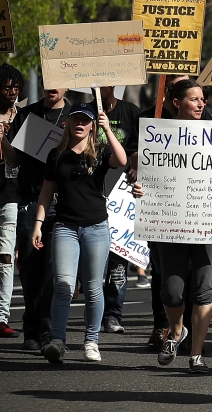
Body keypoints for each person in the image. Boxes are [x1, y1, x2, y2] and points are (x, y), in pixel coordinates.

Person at [132, 80, 212, 374]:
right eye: (194, 99)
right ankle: (177, 331)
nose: (201, 103)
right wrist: (139, 185)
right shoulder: (157, 134)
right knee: (171, 292)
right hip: (170, 224)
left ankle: (196, 354)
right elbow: (139, 169)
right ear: (176, 102)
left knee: (203, 289)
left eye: (203, 99)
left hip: (207, 221)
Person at [33, 103, 128, 363]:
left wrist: (108, 130)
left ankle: (91, 340)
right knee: (63, 286)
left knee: (94, 288)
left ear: (92, 126)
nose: (79, 124)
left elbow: (122, 160)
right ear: (68, 123)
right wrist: (39, 224)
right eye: (75, 119)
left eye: (85, 121)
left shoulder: (100, 151)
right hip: (65, 227)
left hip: (96, 228)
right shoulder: (56, 155)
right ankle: (58, 340)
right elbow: (46, 192)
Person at [2, 87, 72, 351]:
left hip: (62, 204)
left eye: (58, 83)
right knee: (31, 270)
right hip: (30, 202)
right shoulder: (28, 114)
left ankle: (47, 331)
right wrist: (2, 139)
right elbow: (14, 160)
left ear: (66, 86)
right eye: (47, 82)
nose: (52, 88)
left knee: (54, 272)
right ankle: (30, 329)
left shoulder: (74, 115)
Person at [92, 86, 141, 337]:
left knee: (117, 261)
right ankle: (92, 313)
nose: (100, 87)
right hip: (90, 193)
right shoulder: (83, 112)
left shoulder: (130, 112)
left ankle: (112, 314)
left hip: (121, 196)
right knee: (90, 261)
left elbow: (140, 147)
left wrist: (136, 165)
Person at [0, 64, 23, 338]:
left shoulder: (22, 116)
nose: (13, 92)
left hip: (10, 195)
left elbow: (17, 159)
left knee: (6, 258)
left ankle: (2, 317)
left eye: (16, 87)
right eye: (7, 87)